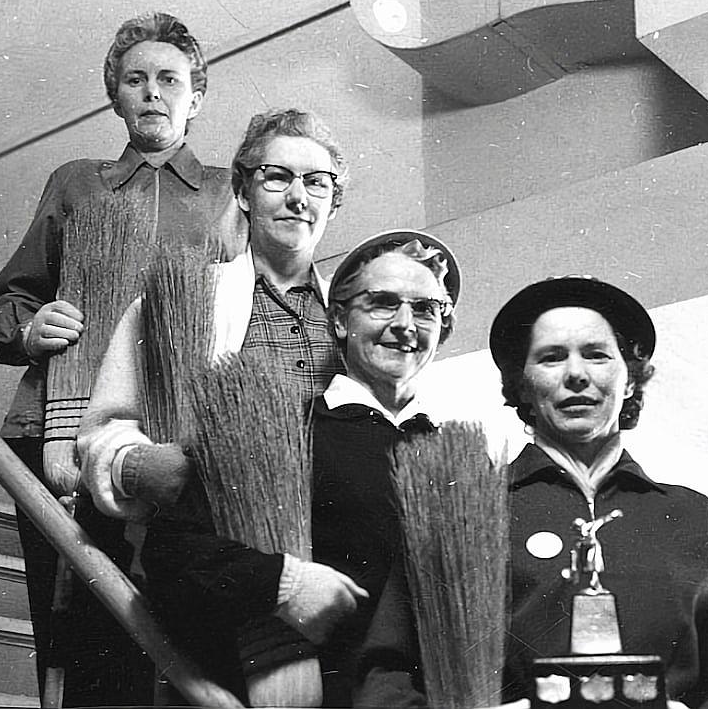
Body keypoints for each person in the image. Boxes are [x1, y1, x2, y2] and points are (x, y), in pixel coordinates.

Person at [355, 276, 708, 709]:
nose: (576, 374)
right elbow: (384, 683)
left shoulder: (698, 518)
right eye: (551, 358)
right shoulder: (457, 511)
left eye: (597, 355)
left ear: (630, 381)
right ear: (521, 384)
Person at [0, 12, 239, 705]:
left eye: (169, 79)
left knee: (174, 634)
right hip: (56, 433)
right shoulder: (76, 182)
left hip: (172, 444)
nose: (153, 92)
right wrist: (33, 329)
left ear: (196, 96)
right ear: (115, 96)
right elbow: (5, 304)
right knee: (76, 634)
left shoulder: (226, 194)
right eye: (136, 79)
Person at [102, 229, 461, 707]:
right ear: (338, 321)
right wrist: (282, 584)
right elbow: (171, 556)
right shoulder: (277, 430)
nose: (405, 324)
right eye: (381, 303)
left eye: (425, 309)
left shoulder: (459, 461)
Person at [77, 107, 350, 704]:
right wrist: (139, 465)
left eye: (317, 182)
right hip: (213, 572)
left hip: (329, 579)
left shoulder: (351, 321)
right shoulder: (180, 301)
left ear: (334, 200)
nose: (298, 196)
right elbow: (100, 434)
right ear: (245, 192)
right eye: (278, 177)